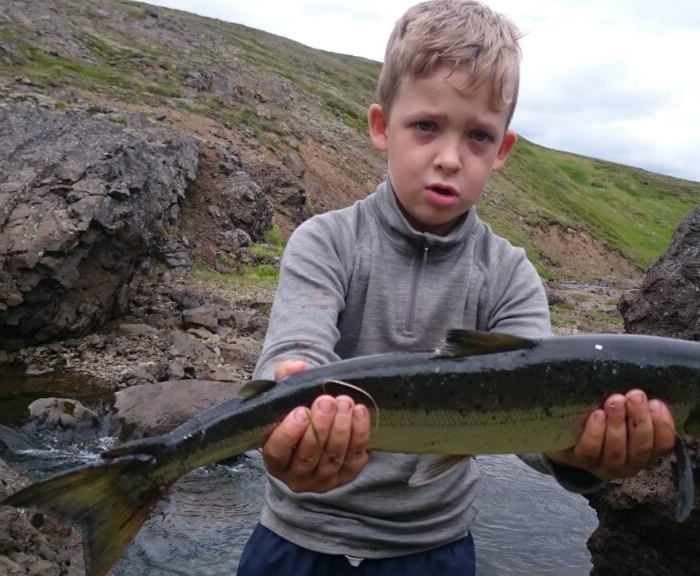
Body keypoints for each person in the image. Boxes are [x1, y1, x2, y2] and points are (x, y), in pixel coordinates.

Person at [237, 1, 676, 573]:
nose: (449, 158)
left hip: (433, 549)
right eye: (426, 126)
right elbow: (294, 354)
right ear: (381, 127)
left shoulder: (510, 274)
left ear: (502, 151)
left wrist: (581, 456)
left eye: (478, 136)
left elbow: (533, 425)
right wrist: (294, 414)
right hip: (296, 539)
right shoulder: (324, 242)